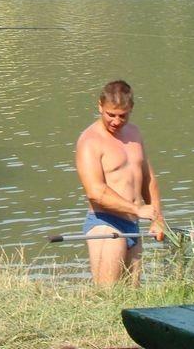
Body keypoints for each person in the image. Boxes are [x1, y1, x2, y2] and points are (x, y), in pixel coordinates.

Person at [75, 80, 164, 285]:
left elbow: (148, 179)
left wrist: (157, 218)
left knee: (131, 298)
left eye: (122, 115)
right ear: (100, 106)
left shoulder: (135, 134)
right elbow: (95, 192)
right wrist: (137, 209)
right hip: (106, 224)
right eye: (110, 115)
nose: (116, 121)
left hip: (132, 224)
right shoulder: (90, 141)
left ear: (131, 108)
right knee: (108, 297)